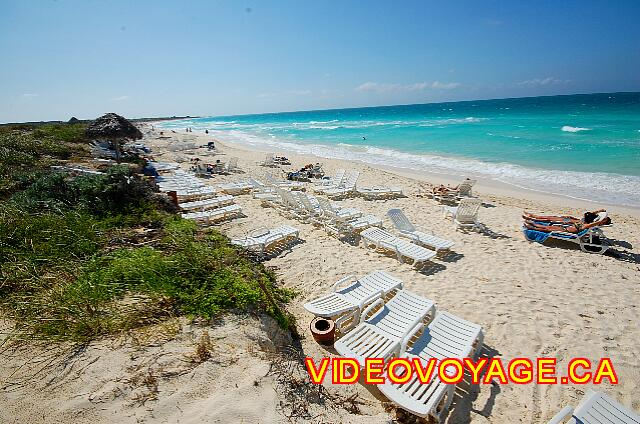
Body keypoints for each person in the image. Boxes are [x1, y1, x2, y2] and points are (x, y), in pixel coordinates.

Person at [524, 216, 611, 234]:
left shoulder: (585, 226)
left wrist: (601, 221)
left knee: (547, 228)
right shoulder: (584, 224)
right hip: (566, 228)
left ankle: (531, 226)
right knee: (547, 227)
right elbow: (588, 216)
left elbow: (594, 223)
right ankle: (532, 224)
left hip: (566, 230)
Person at [523, 209, 606, 224]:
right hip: (571, 220)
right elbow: (588, 214)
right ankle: (534, 216)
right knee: (551, 217)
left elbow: (586, 214)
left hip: (569, 222)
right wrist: (599, 211)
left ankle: (532, 217)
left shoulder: (592, 222)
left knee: (550, 219)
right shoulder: (592, 219)